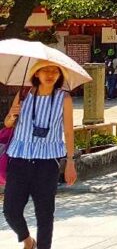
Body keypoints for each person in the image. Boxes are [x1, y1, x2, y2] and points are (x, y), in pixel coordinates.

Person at [3, 62, 77, 249]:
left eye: (55, 71)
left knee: (45, 214)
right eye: (45, 70)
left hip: (47, 163)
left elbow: (68, 132)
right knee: (10, 210)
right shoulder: (23, 94)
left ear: (60, 75)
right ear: (36, 73)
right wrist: (12, 115)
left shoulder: (64, 98)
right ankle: (28, 241)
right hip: (19, 160)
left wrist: (70, 161)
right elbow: (8, 124)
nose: (50, 74)